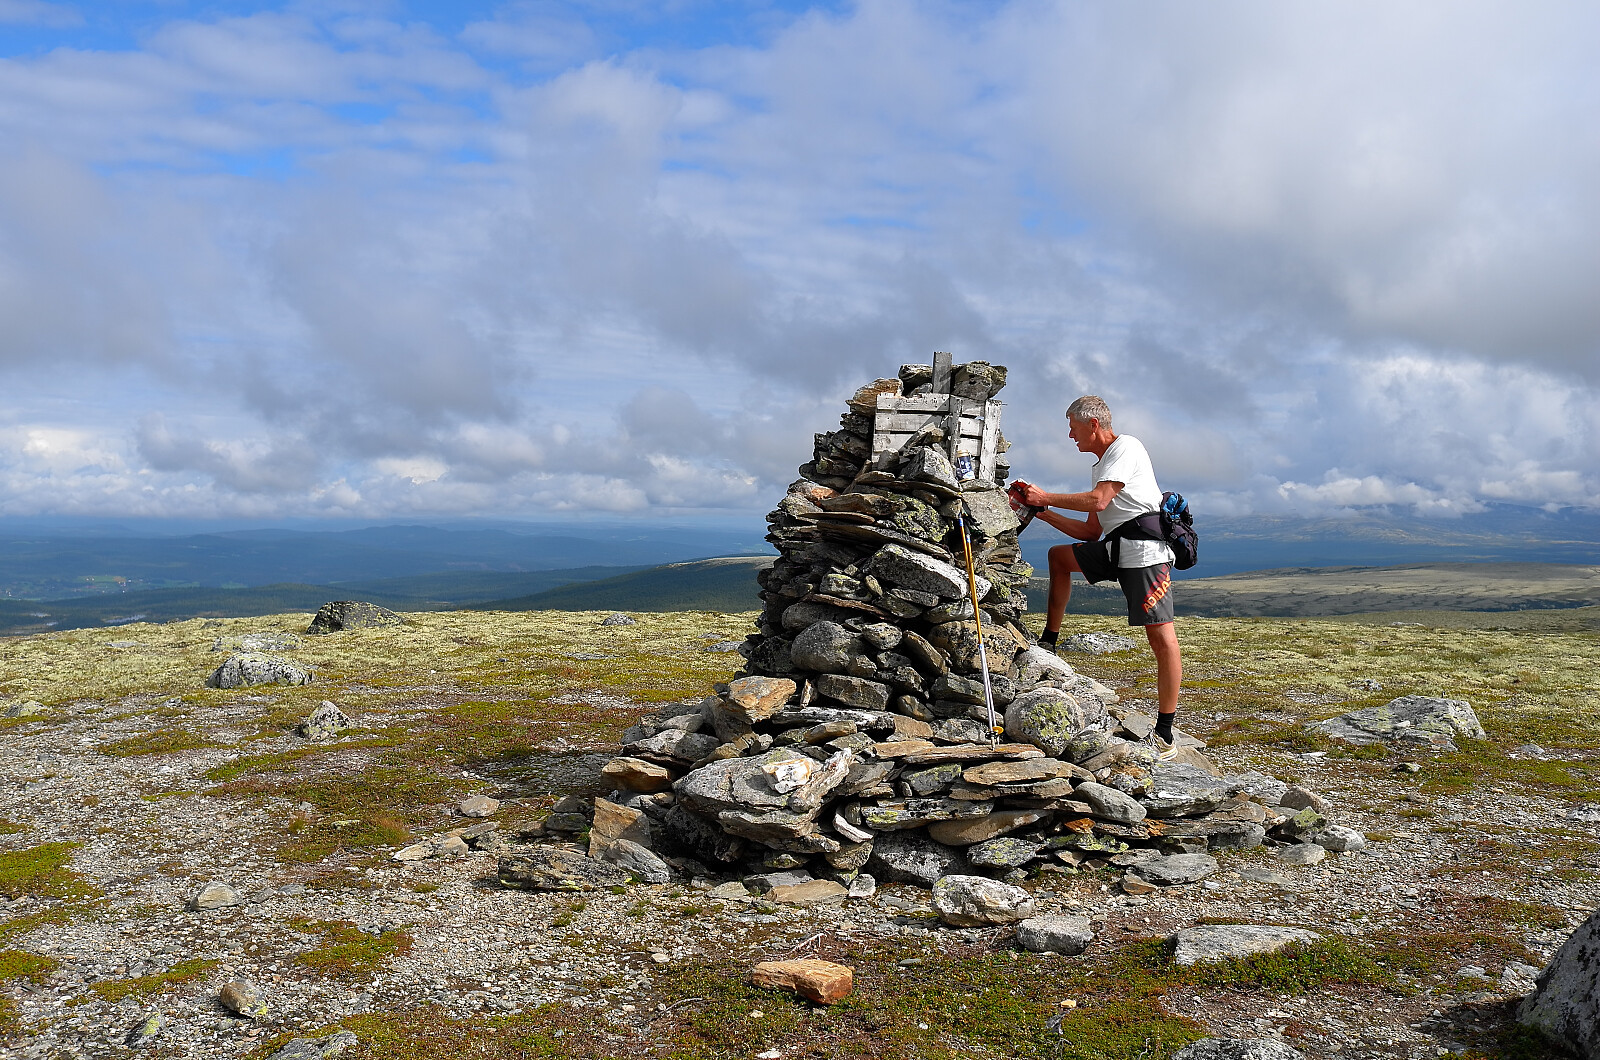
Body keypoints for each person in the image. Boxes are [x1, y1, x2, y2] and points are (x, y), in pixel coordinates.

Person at [1013, 395, 1183, 746]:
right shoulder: (1101, 465)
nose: (1070, 436)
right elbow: (1091, 531)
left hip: (1145, 553)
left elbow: (1099, 501)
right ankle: (1049, 641)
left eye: (1073, 428)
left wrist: (1046, 495)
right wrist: (1041, 509)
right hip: (1116, 548)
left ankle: (1165, 733)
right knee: (1060, 558)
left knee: (1161, 639)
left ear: (1093, 424)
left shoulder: (1126, 447)